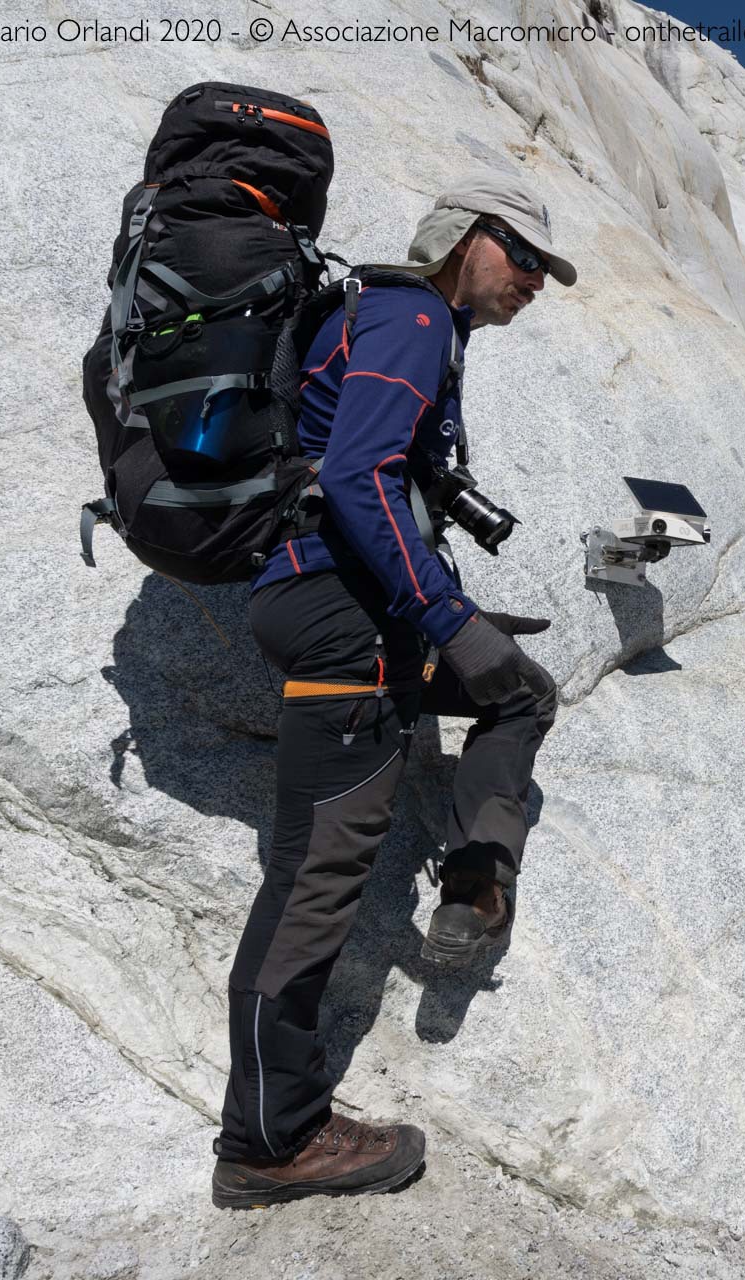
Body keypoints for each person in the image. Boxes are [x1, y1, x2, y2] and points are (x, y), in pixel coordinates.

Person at [211, 172, 578, 1208]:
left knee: (521, 693)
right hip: (338, 617)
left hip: (353, 605)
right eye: (527, 255)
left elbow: (383, 492)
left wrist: (458, 620)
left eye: (546, 267)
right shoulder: (415, 312)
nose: (539, 280)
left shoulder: (408, 323)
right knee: (313, 879)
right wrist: (446, 618)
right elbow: (362, 473)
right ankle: (268, 1139)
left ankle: (472, 881)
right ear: (470, 238)